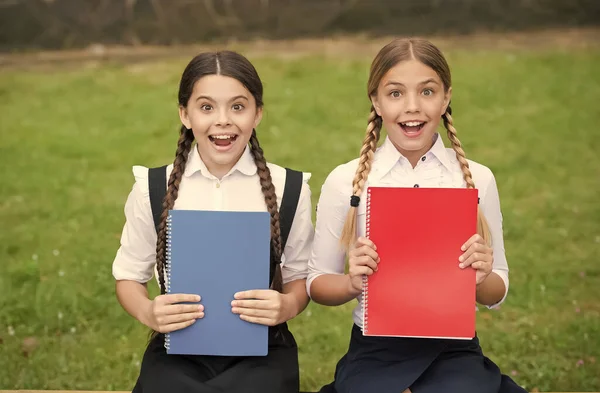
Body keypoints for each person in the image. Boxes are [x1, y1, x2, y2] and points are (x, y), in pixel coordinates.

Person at [308, 38, 527, 393]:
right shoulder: (346, 181)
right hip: (375, 348)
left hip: (454, 349)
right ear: (376, 102)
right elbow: (317, 282)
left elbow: (496, 289)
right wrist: (351, 283)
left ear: (446, 98)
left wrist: (482, 275)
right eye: (395, 94)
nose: (412, 107)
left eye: (427, 92)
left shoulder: (476, 178)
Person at [112, 50, 314, 393]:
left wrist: (288, 305)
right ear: (185, 114)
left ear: (258, 113)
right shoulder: (152, 188)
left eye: (238, 106)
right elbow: (129, 276)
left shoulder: (289, 188)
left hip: (263, 352)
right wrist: (149, 313)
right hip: (177, 350)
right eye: (207, 107)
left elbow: (299, 278)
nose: (223, 120)